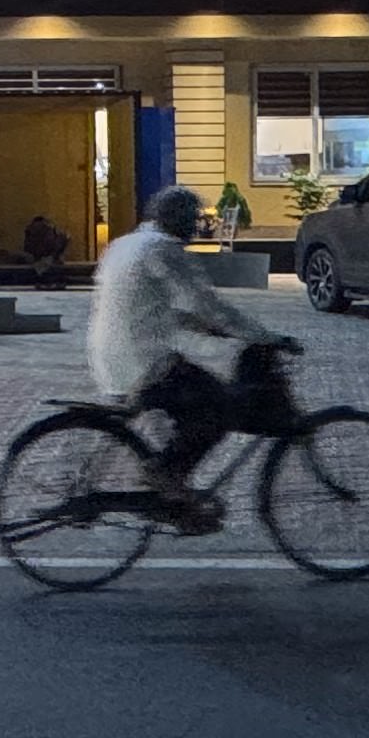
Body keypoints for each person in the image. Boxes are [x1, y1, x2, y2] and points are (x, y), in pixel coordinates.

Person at [86, 184, 274, 527]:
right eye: (192, 218)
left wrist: (205, 328)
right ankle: (166, 476)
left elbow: (153, 305)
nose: (195, 225)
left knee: (181, 413)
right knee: (218, 407)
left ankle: (174, 499)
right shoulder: (164, 249)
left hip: (108, 354)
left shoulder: (126, 243)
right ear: (178, 218)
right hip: (144, 360)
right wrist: (261, 336)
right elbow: (206, 304)